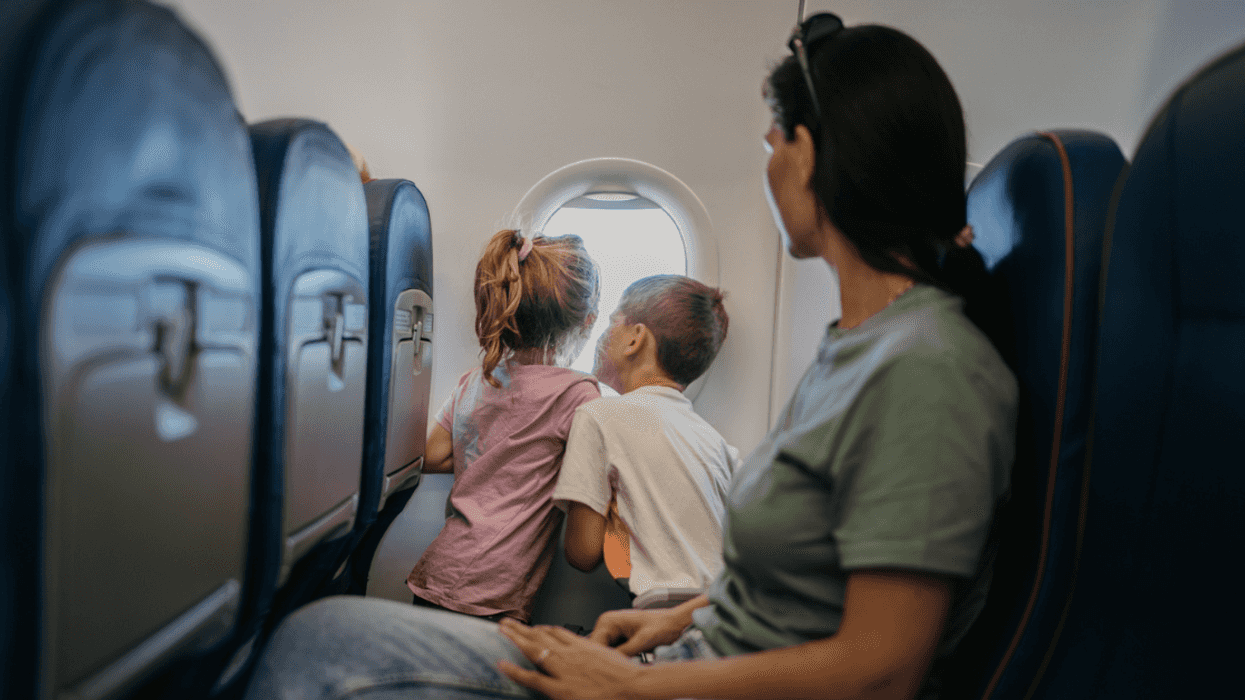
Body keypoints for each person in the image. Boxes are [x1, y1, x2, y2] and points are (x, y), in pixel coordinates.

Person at [243, 15, 1017, 700]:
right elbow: (789, 591)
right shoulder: (856, 351)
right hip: (677, 658)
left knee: (318, 646)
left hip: (683, 685)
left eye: (769, 144)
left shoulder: (925, 371)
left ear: (805, 154)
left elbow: (879, 671)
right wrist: (672, 621)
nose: (767, 164)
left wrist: (635, 688)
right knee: (323, 632)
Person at [405, 228, 601, 622]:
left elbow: (432, 454)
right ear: (587, 320)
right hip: (489, 592)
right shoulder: (578, 395)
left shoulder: (476, 379)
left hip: (440, 570)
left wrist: (492, 458)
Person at [554, 275, 737, 608]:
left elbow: (582, 552)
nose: (603, 335)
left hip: (661, 610)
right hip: (721, 611)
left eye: (612, 323)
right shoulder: (718, 444)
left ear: (636, 338)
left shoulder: (598, 416)